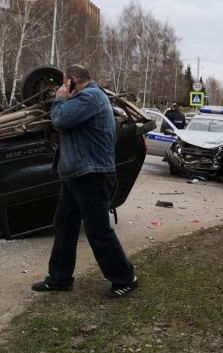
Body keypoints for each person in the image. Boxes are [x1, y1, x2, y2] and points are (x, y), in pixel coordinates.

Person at [31, 64, 138, 298]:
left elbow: (59, 119)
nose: (60, 88)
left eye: (63, 84)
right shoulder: (87, 98)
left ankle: (125, 278)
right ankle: (59, 278)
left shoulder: (90, 97)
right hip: (77, 174)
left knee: (98, 230)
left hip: (92, 174)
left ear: (70, 81)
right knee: (64, 226)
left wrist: (60, 98)